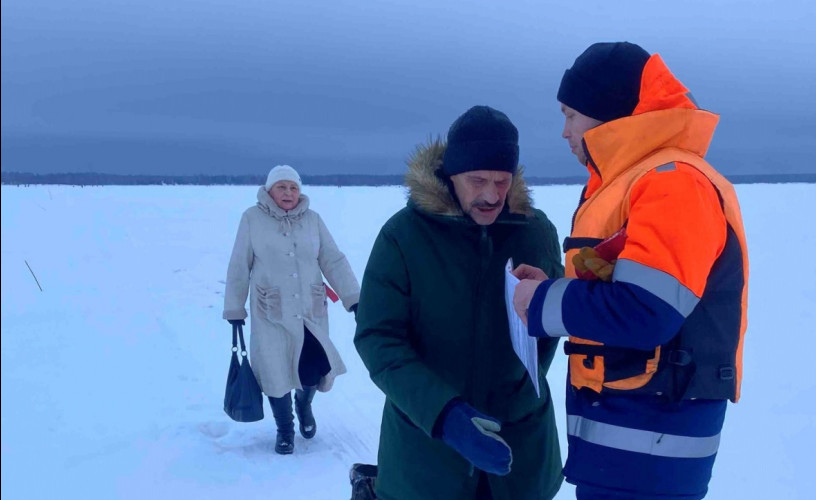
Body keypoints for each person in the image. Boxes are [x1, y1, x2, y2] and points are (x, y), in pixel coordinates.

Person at [513, 42, 750, 499]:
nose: (563, 131)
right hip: (626, 443)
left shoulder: (673, 183)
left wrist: (542, 304)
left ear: (606, 114)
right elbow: (622, 286)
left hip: (654, 448)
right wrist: (553, 291)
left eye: (570, 115)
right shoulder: (634, 183)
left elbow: (647, 311)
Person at [354, 106, 564, 500]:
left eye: (502, 181)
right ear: (450, 177)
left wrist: (552, 297)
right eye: (478, 180)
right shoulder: (403, 236)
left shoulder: (536, 232)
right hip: (426, 456)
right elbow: (377, 339)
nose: (491, 195)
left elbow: (550, 329)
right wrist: (443, 414)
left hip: (520, 454)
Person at [223, 164, 360, 455]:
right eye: (282, 187)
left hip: (310, 309)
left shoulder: (313, 220)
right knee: (275, 371)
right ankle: (284, 428)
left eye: (294, 187)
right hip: (270, 310)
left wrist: (353, 298)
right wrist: (235, 309)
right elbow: (239, 265)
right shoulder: (252, 219)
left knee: (312, 366)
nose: (288, 193)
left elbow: (333, 260)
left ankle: (305, 405)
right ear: (269, 190)